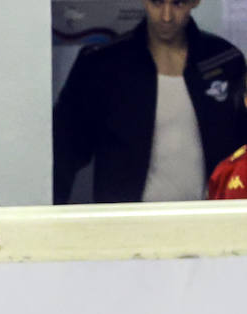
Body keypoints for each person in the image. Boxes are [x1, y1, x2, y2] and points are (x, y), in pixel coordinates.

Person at [52, 0, 247, 204]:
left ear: (195, 2)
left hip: (211, 217)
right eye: (157, 2)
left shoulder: (224, 60)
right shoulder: (103, 65)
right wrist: (50, 219)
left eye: (178, 4)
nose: (166, 16)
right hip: (126, 220)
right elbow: (64, 150)